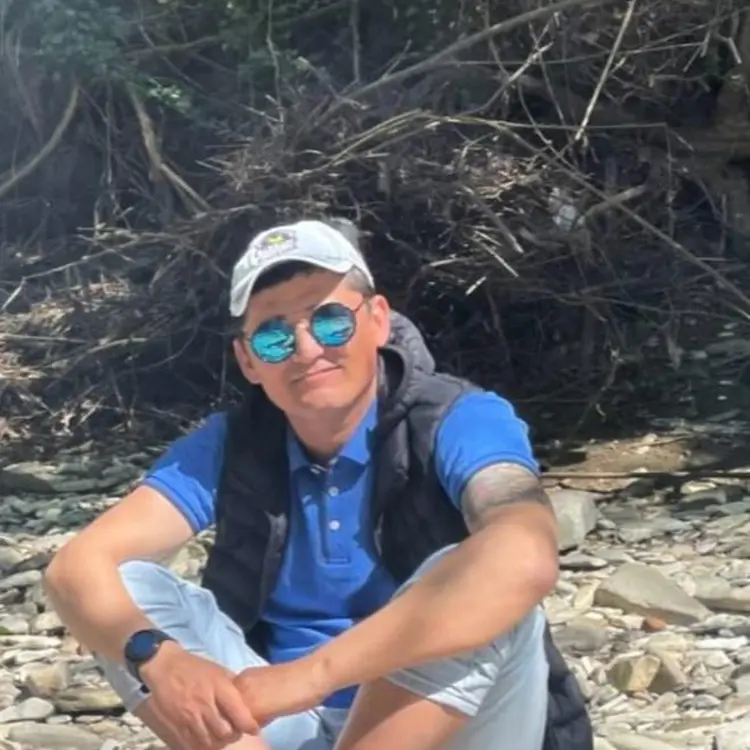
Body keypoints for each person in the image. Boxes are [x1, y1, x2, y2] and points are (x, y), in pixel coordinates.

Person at [44, 218, 592, 750]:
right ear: (248, 361)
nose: (306, 349)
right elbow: (75, 568)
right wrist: (158, 659)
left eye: (330, 321)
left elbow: (525, 556)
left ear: (378, 320)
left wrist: (312, 675)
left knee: (475, 575)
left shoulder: (458, 419)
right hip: (280, 723)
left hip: (450, 725)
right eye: (274, 336)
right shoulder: (233, 444)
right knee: (128, 586)